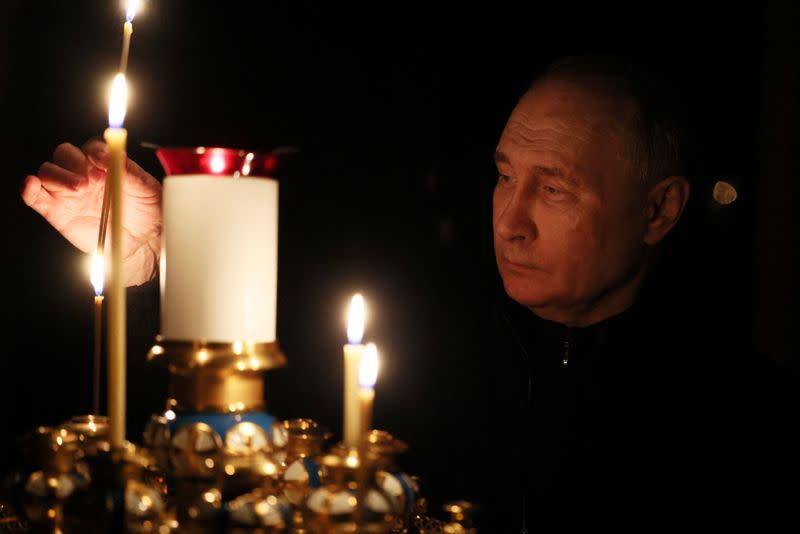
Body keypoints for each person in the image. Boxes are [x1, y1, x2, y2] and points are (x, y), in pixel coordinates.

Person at [21, 55, 797, 531]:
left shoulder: (743, 425)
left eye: (555, 190)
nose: (510, 221)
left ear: (659, 210)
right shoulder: (404, 351)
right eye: (503, 177)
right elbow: (203, 456)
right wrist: (162, 253)